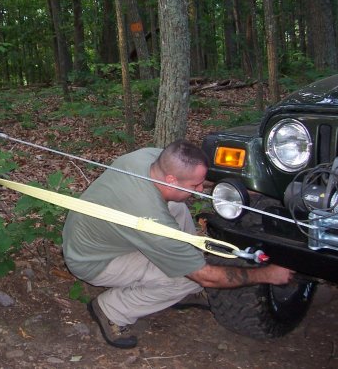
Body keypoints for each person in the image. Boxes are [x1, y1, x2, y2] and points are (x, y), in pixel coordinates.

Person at [62, 139, 293, 349]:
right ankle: (112, 309)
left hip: (100, 235)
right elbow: (207, 276)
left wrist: (244, 188)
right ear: (171, 179)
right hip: (93, 261)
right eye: (196, 186)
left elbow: (197, 179)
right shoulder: (151, 219)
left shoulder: (149, 158)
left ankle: (183, 278)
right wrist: (269, 275)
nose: (201, 190)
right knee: (185, 278)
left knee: (178, 205)